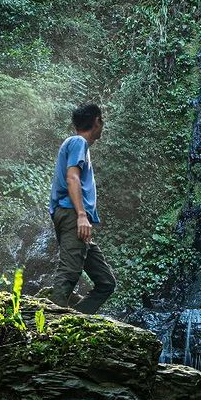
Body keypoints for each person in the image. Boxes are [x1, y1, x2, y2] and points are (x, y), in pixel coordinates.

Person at [48, 102, 116, 314]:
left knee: (105, 282)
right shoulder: (78, 142)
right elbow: (72, 177)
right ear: (97, 121)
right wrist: (80, 215)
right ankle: (49, 325)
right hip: (72, 214)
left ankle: (75, 320)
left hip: (71, 215)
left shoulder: (75, 144)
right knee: (69, 271)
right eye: (101, 121)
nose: (102, 125)